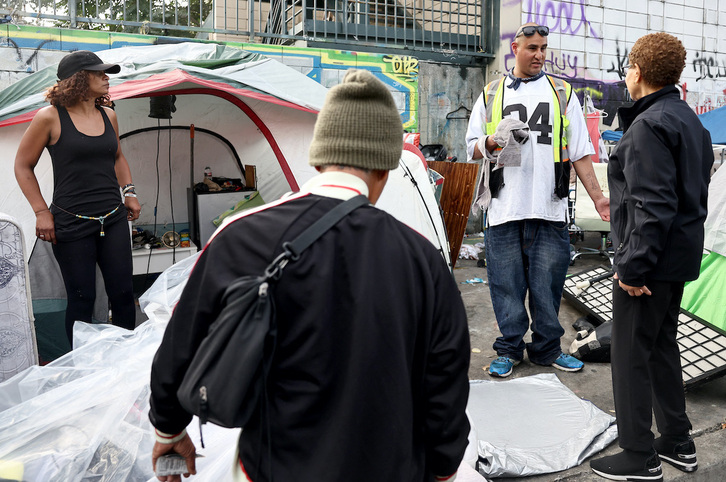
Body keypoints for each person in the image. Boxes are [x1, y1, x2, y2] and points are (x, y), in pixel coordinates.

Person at [148, 69, 471, 482]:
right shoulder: (421, 258)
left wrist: (168, 430)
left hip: (273, 467)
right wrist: (442, 467)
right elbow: (445, 380)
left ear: (317, 157)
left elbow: (181, 347)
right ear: (386, 169)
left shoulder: (240, 237)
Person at [590, 33, 712, 481]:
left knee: (630, 353)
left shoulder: (648, 126)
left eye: (627, 68)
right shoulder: (689, 122)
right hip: (676, 257)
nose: (625, 75)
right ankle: (678, 441)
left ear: (638, 72)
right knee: (661, 346)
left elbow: (653, 203)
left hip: (650, 261)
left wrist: (633, 265)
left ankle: (639, 453)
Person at [465, 22, 610, 378]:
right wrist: (491, 143)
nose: (540, 55)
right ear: (514, 48)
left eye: (544, 47)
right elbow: (470, 147)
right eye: (532, 48)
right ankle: (510, 349)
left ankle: (546, 350)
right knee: (506, 286)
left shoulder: (562, 92)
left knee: (548, 288)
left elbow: (579, 152)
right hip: (503, 208)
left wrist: (600, 198)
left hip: (549, 208)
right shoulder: (491, 93)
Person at [14, 50, 141, 344]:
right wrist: (41, 212)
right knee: (82, 298)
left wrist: (129, 192)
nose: (107, 78)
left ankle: (125, 360)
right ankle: (82, 370)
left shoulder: (109, 115)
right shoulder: (49, 118)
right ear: (80, 79)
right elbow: (22, 165)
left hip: (112, 218)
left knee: (123, 293)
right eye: (100, 73)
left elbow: (118, 157)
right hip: (71, 222)